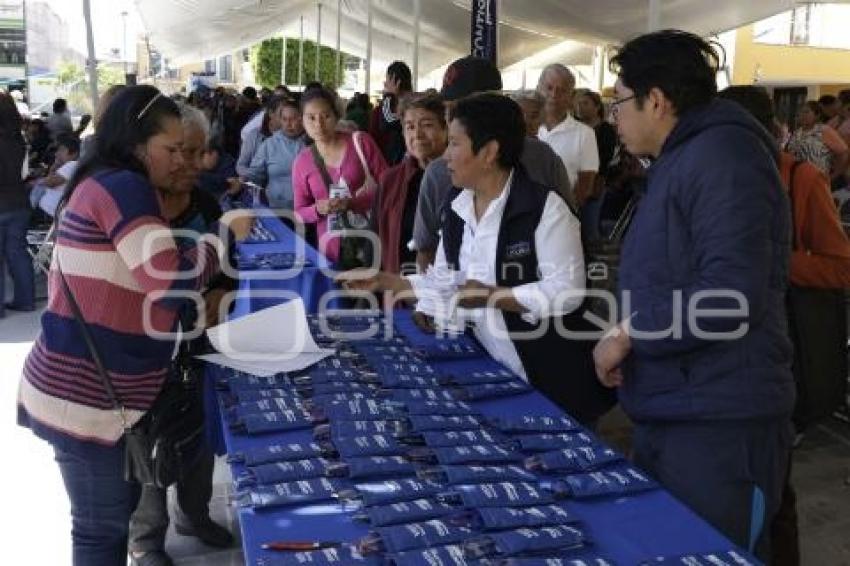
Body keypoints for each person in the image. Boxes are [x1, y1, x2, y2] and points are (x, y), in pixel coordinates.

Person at [15, 85, 253, 566]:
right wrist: (224, 234)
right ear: (137, 142)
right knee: (100, 531)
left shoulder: (104, 181)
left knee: (109, 521)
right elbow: (170, 281)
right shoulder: (124, 186)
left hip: (92, 393)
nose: (177, 160)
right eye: (170, 149)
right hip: (85, 396)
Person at [592, 30, 794, 561]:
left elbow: (729, 295)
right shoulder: (684, 158)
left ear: (656, 100)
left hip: (720, 427)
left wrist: (630, 333)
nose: (614, 117)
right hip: (680, 409)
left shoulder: (725, 156)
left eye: (619, 103)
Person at [342, 93, 613, 423]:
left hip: (549, 378)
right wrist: (391, 282)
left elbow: (566, 291)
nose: (447, 155)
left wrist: (494, 297)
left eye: (455, 144)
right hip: (490, 365)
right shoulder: (456, 205)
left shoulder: (546, 208)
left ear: (489, 152)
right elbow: (445, 279)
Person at [718, 84, 850, 566]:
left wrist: (775, 262)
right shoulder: (712, 180)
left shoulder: (801, 179)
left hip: (782, 358)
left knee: (772, 493)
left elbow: (840, 266)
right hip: (720, 360)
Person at [127, 103, 235, 566]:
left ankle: (195, 514)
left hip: (196, 343)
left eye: (198, 153)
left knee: (195, 431)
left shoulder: (206, 206)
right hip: (143, 350)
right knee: (147, 446)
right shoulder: (136, 208)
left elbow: (229, 268)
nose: (190, 164)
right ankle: (146, 539)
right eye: (180, 152)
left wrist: (223, 294)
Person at [412, 56, 573, 271]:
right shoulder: (439, 172)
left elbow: (571, 235)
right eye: (447, 109)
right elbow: (426, 251)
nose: (451, 118)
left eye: (461, 108)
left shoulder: (542, 158)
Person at [292, 87, 388, 264]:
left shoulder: (360, 143)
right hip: (330, 250)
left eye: (325, 116)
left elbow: (389, 187)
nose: (318, 124)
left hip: (370, 239)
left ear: (336, 116)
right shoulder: (302, 162)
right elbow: (299, 212)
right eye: (311, 118)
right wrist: (318, 209)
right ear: (302, 121)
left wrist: (353, 203)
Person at [374, 93, 447, 275]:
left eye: (427, 125)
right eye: (410, 127)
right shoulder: (390, 180)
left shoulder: (462, 178)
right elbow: (375, 236)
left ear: (446, 129)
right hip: (397, 291)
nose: (417, 134)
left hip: (444, 290)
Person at [536, 64, 599, 207]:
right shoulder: (524, 130)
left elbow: (585, 186)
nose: (554, 95)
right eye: (549, 88)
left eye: (562, 90)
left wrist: (565, 213)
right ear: (539, 89)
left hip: (562, 217)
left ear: (571, 96)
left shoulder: (585, 134)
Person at [0, 92, 34, 317]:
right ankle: (26, 300)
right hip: (19, 202)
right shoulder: (20, 139)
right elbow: (24, 174)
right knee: (18, 252)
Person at [243, 97, 307, 213]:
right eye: (284, 119)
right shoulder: (269, 145)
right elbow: (255, 173)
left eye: (293, 119)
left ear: (302, 119)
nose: (288, 124)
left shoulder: (313, 142)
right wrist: (243, 179)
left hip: (310, 210)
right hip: (277, 210)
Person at [786, 100, 848, 180]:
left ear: (817, 115)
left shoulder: (824, 130)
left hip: (818, 178)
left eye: (806, 112)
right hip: (797, 178)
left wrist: (834, 175)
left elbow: (844, 152)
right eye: (801, 112)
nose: (802, 115)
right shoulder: (797, 132)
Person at [369, 61, 413, 165]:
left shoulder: (387, 108)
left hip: (396, 164)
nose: (385, 83)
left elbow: (386, 123)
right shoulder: (415, 102)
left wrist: (388, 95)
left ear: (396, 81)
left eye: (388, 79)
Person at [30, 133, 80, 218]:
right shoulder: (70, 166)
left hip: (49, 211)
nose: (57, 154)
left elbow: (50, 182)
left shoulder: (72, 165)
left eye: (62, 150)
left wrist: (54, 166)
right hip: (48, 210)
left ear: (73, 154)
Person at [236, 95, 284, 177]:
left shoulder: (293, 138)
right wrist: (253, 174)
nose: (287, 119)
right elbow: (240, 166)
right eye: (282, 114)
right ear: (271, 113)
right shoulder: (254, 135)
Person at [576, 90, 618, 182]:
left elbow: (604, 159)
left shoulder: (606, 130)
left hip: (595, 178)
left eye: (585, 103)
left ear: (597, 107)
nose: (580, 107)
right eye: (579, 103)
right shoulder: (574, 127)